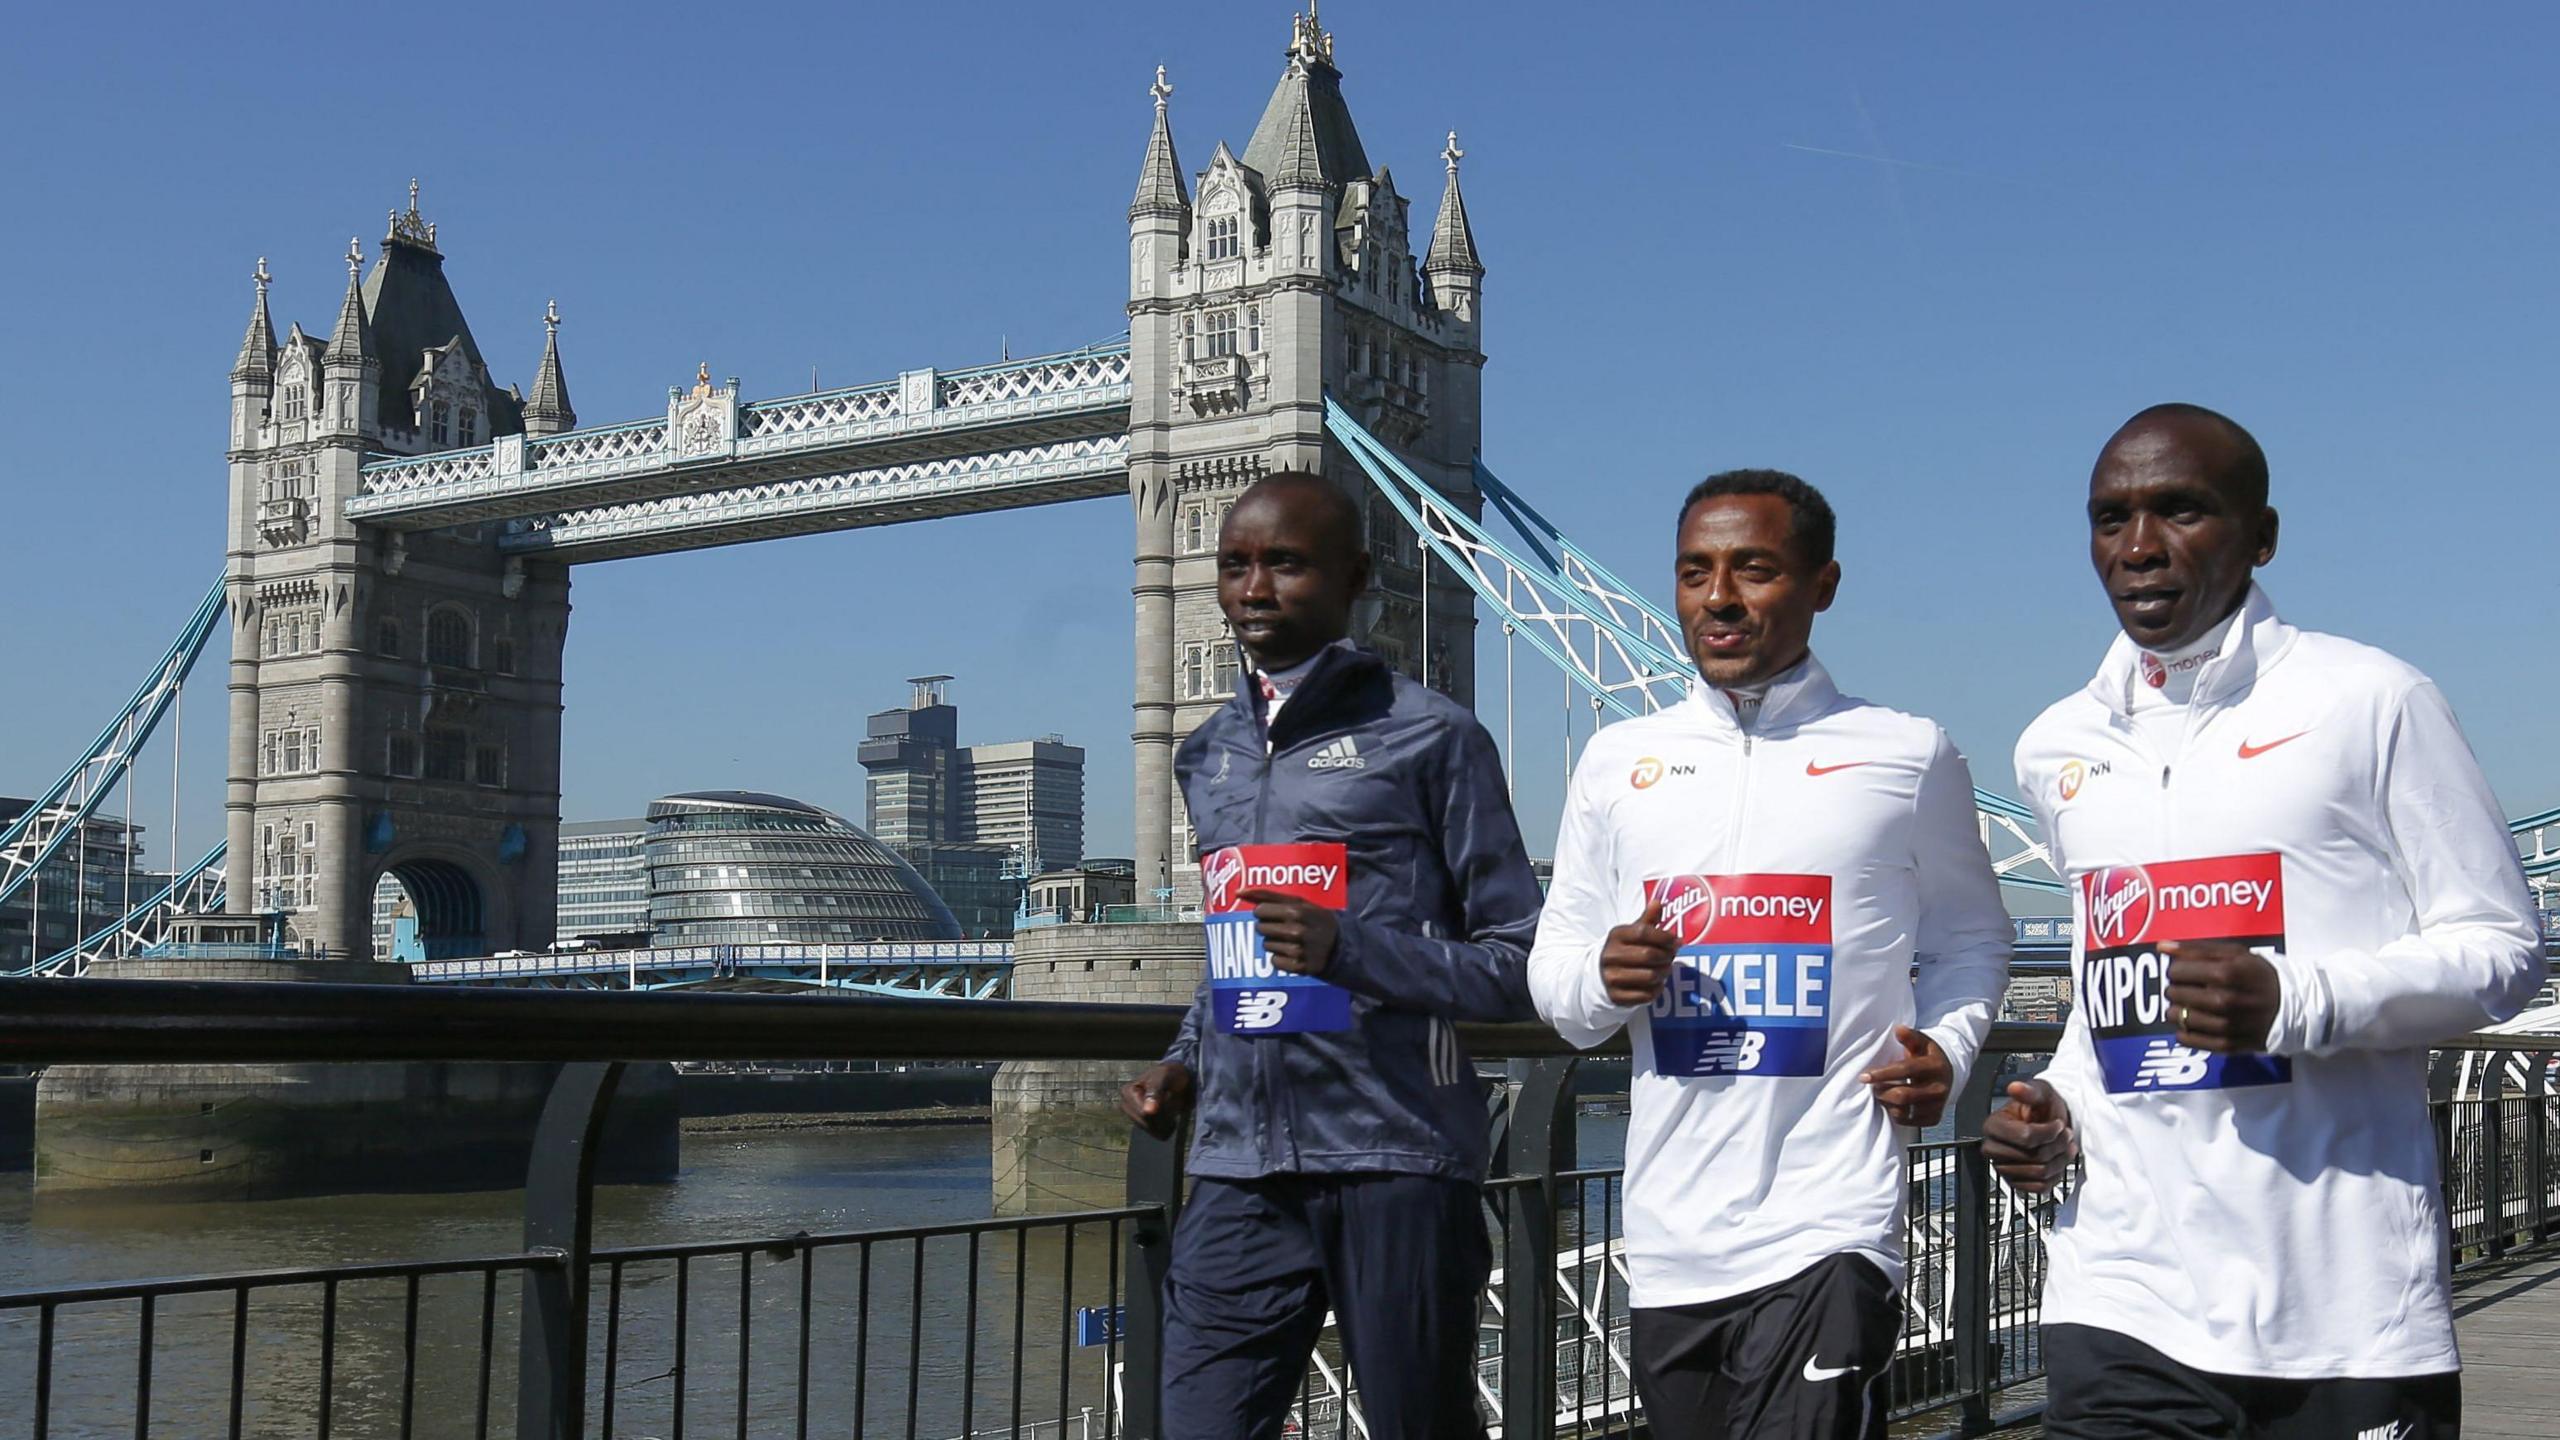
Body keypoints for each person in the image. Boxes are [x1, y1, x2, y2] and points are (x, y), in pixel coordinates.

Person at [1984, 403, 2542, 1440]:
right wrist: (2053, 1105)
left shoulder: (2373, 700)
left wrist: (2295, 1001)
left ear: (2262, 535)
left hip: (2338, 1310)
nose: (2138, 548)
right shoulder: (2052, 746)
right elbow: (2105, 988)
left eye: (2178, 511)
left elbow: (2503, 947)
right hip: (2118, 1296)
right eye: (2110, 519)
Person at [1528, 470, 2012, 1440]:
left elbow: (1970, 939)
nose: (1718, 598)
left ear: (1821, 585)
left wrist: (1950, 1051)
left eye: (1753, 570)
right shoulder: (1616, 763)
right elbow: (1560, 985)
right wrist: (1602, 977)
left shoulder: (1908, 753)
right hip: (1670, 1236)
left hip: (1831, 1219)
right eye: (1693, 572)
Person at [1117, 471, 1544, 1440]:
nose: (1254, 588)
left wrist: (1351, 950)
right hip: (1236, 1165)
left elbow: (1514, 958)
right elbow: (1233, 953)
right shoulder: (1206, 753)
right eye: (1235, 565)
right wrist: (1186, 1058)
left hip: (1395, 1153)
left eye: (1285, 564)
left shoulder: (1432, 736)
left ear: (1355, 577)